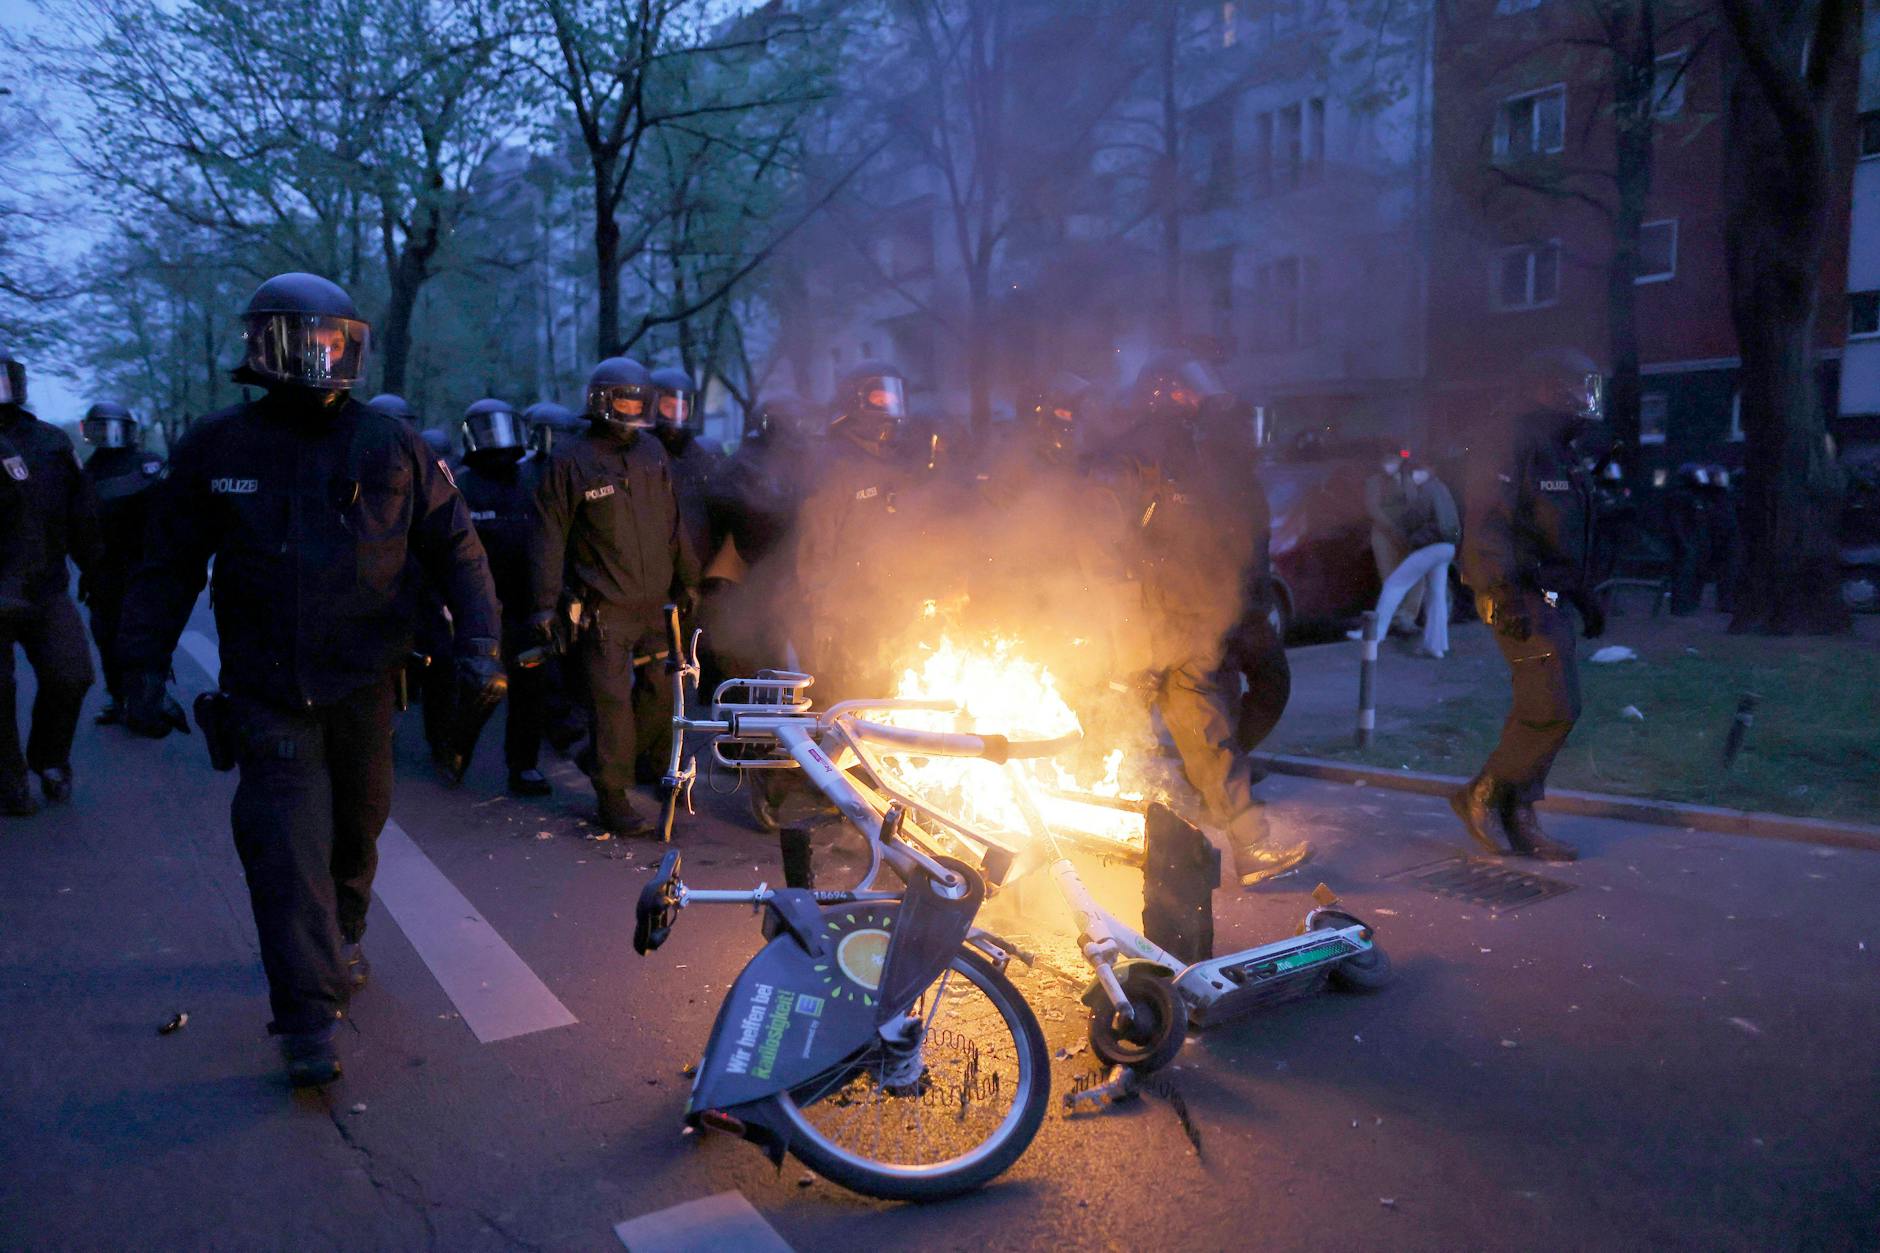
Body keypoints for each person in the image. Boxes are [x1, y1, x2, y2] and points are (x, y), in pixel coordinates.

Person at [117, 273, 504, 1085]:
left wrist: (480, 645)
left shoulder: (390, 443)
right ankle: (305, 1017)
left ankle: (344, 937)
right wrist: (140, 668)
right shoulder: (218, 447)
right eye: (307, 341)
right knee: (284, 848)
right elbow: (166, 566)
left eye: (337, 341)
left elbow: (458, 549)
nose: (323, 356)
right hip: (265, 688)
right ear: (266, 347)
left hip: (366, 682)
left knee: (356, 831)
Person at [1100, 352, 1311, 888]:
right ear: (1162, 394)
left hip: (1212, 607)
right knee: (1188, 726)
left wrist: (1246, 601)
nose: (1201, 400)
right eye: (1187, 392)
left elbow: (1233, 531)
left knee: (1238, 707)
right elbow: (1108, 548)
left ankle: (1228, 809)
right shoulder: (1136, 456)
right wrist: (1134, 630)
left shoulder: (1207, 452)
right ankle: (1246, 842)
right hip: (1165, 616)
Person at [529, 356, 696, 836]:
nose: (630, 406)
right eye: (622, 398)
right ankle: (612, 796)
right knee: (610, 704)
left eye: (637, 399)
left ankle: (627, 763)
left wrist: (687, 577)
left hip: (653, 603)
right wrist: (544, 603)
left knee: (661, 696)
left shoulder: (651, 454)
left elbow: (673, 520)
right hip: (603, 606)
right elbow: (548, 536)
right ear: (601, 401)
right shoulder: (570, 460)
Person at [1454, 347, 1607, 863]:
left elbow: (1561, 532)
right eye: (1574, 384)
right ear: (1545, 386)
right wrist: (1500, 591)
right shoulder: (1510, 438)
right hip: (1518, 593)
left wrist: (1584, 594)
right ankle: (1484, 796)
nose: (1584, 396)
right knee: (1552, 706)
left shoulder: (1559, 447)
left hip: (1548, 594)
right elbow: (1488, 523)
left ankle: (1518, 815)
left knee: (1552, 707)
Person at [0, 341, 103, 815]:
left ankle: (50, 758)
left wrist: (97, 570)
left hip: (43, 588)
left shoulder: (48, 441)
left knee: (71, 675)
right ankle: (9, 779)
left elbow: (78, 511)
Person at [449, 399, 552, 795]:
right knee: (481, 687)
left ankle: (523, 765)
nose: (497, 440)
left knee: (529, 689)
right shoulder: (461, 487)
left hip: (526, 604)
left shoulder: (530, 482)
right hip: (479, 606)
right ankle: (456, 748)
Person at [78, 402, 165, 725]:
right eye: (102, 428)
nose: (110, 436)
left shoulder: (148, 465)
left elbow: (170, 513)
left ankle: (148, 701)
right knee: (107, 638)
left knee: (143, 638)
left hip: (144, 567)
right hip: (103, 571)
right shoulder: (87, 471)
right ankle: (118, 698)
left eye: (116, 428)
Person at [1401, 457, 1461, 659]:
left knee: (1399, 585)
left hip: (1430, 546)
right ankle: (1437, 646)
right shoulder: (1441, 488)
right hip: (1446, 546)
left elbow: (1415, 518)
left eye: (1415, 472)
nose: (1413, 476)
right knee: (1437, 598)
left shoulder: (1425, 490)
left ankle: (1432, 644)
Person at [1365, 448, 1421, 635]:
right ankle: (1397, 619)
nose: (1390, 464)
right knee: (1390, 578)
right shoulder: (1374, 481)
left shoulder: (1407, 479)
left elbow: (1414, 503)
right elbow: (1373, 509)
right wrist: (1392, 528)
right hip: (1384, 535)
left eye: (1394, 459)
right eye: (1387, 459)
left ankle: (1407, 617)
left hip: (1405, 535)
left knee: (1413, 578)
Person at [1666, 462, 1713, 616]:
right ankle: (1680, 607)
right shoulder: (1680, 495)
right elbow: (1676, 521)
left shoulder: (1699, 496)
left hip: (1697, 540)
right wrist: (1683, 542)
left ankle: (1691, 604)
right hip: (1687, 541)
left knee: (1697, 574)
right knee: (1683, 575)